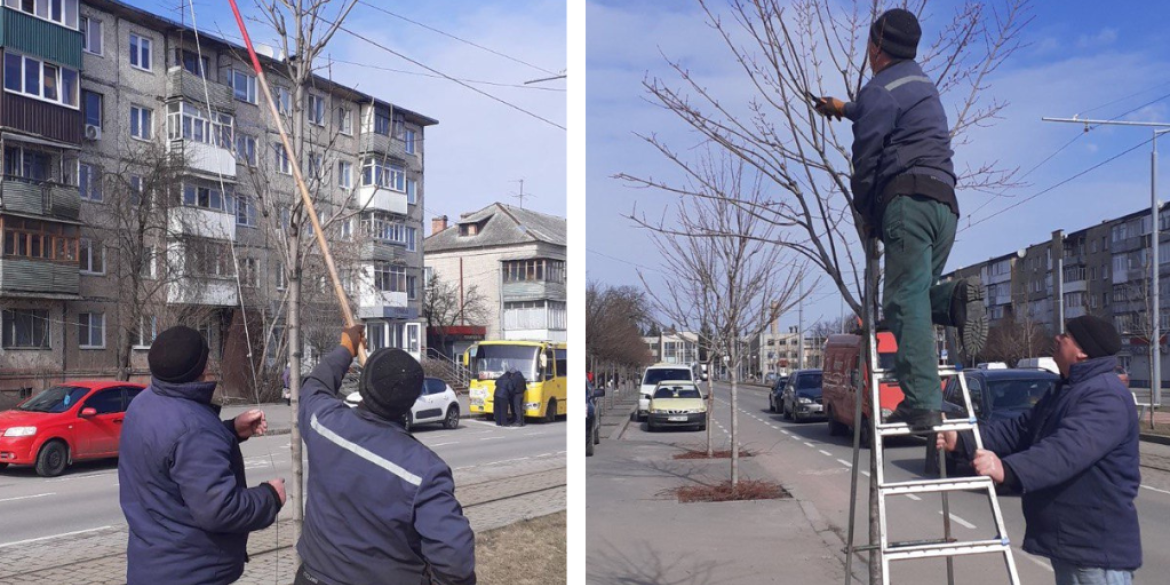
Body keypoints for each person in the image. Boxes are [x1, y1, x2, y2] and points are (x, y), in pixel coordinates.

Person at [813, 8, 986, 430]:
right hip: (944, 205)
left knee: (901, 301)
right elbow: (884, 111)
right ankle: (955, 299)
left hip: (907, 203)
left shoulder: (878, 90)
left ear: (875, 48)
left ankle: (923, 403)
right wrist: (846, 107)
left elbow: (866, 161)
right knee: (917, 296)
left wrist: (867, 212)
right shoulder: (921, 84)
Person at [937, 315, 1141, 584]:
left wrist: (1007, 469)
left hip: (1094, 552)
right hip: (1076, 544)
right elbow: (1021, 430)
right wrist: (962, 440)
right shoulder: (1068, 389)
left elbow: (1066, 451)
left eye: (1065, 335)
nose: (1057, 338)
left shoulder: (1105, 395)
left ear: (1081, 352)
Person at [295, 325, 476, 585]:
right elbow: (456, 561)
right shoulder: (424, 471)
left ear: (363, 385)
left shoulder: (324, 423)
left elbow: (315, 385)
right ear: (411, 401)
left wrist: (346, 347)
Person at [119, 326, 285, 585]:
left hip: (151, 566)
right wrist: (270, 497)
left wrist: (229, 430)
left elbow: (171, 455)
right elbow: (221, 510)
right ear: (201, 367)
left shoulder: (143, 403)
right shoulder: (194, 429)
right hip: (192, 572)